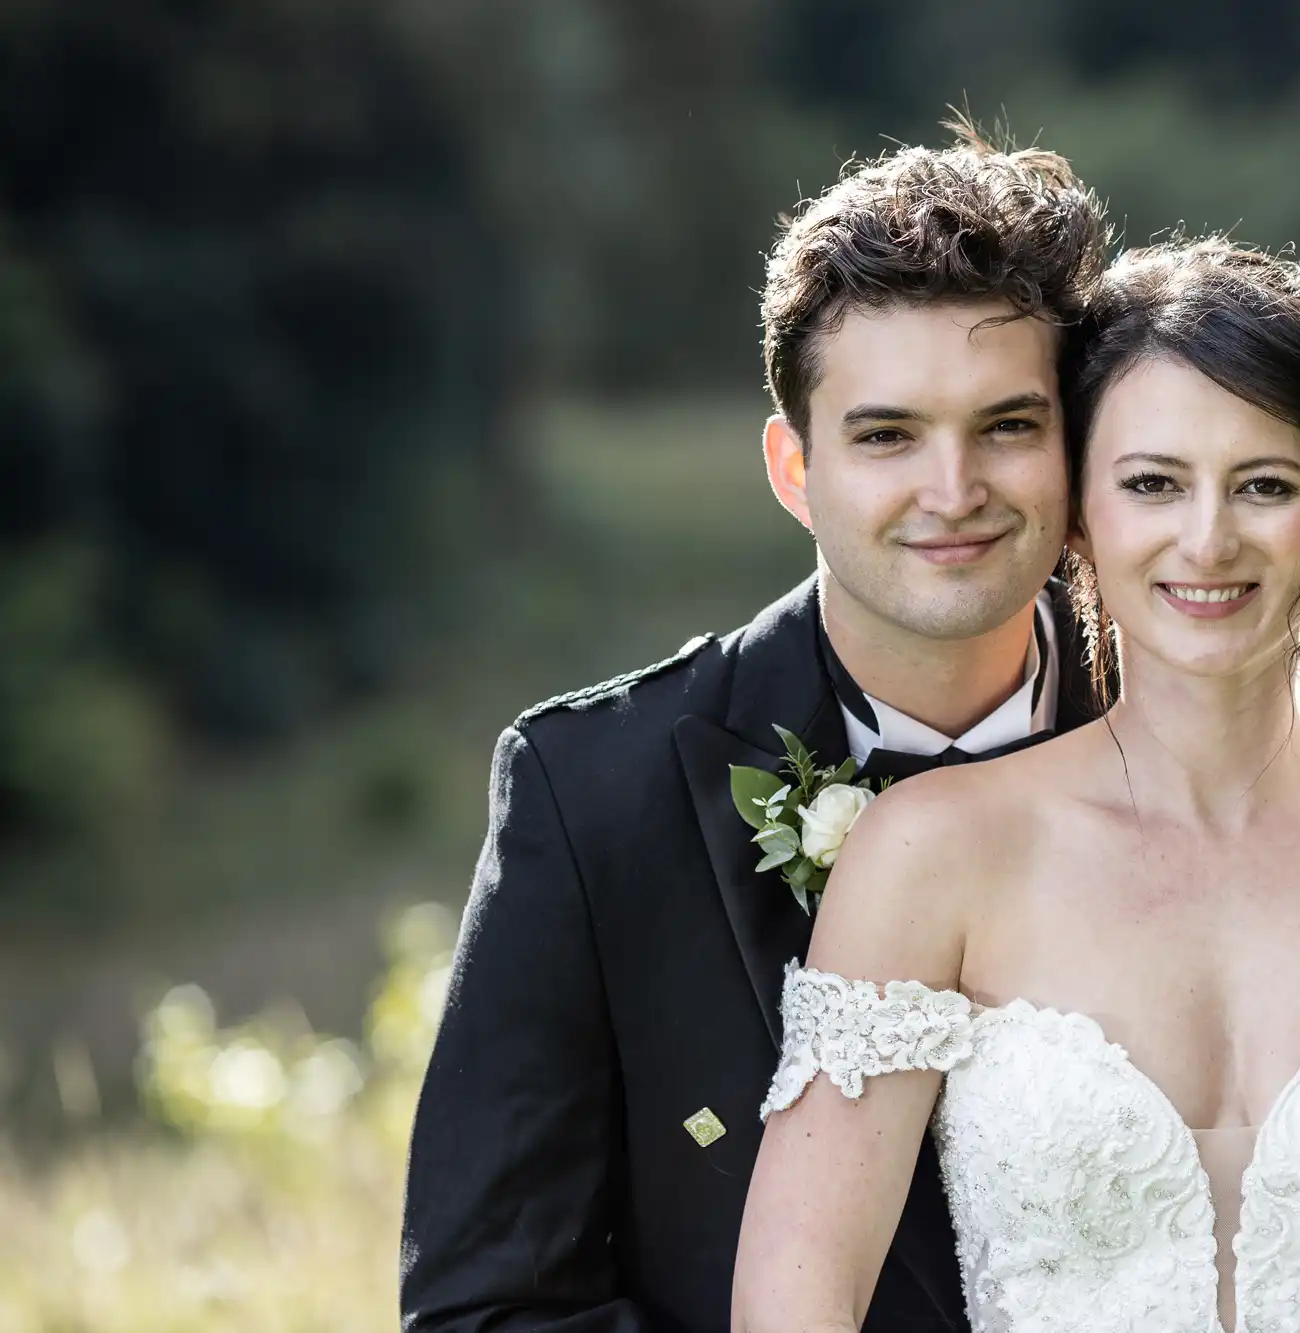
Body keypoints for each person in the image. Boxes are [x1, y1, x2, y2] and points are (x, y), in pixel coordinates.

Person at [734, 239, 1300, 1332]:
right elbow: (792, 1302)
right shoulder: (933, 855)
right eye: (1151, 484)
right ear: (1079, 516)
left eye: (1264, 486)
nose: (1207, 538)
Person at [399, 129, 1109, 1333]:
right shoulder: (593, 794)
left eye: (1006, 426)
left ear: (1075, 443)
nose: (952, 490)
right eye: (886, 435)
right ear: (795, 467)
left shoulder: (1199, 749)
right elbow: (491, 1309)